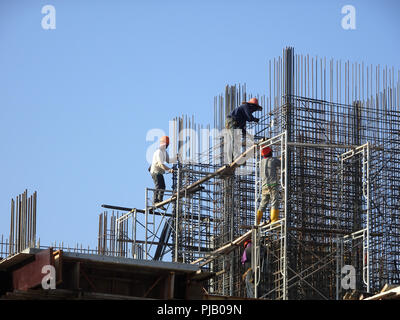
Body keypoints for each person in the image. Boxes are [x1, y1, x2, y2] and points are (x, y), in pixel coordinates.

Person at [225, 97, 263, 163]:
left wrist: (248, 135)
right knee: (234, 140)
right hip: (232, 122)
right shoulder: (245, 106)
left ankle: (231, 159)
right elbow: (249, 117)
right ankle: (234, 157)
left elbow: (242, 128)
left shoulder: (242, 116)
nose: (253, 111)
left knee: (234, 140)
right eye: (254, 109)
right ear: (252, 106)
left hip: (233, 123)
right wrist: (255, 119)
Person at [256, 146, 280, 225]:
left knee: (263, 203)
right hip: (272, 184)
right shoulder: (273, 160)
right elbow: (282, 164)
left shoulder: (261, 162)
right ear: (270, 153)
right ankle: (274, 220)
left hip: (264, 185)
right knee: (274, 201)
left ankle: (257, 221)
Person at [149, 136, 173, 210]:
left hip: (159, 172)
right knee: (159, 185)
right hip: (155, 172)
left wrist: (176, 158)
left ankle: (160, 202)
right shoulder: (159, 152)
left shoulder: (164, 152)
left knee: (162, 186)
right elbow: (160, 164)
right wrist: (169, 170)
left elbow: (169, 160)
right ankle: (155, 201)